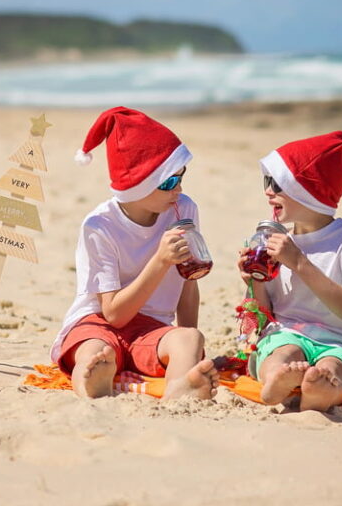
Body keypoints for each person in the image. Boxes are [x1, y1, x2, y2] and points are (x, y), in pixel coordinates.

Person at [51, 106, 219, 400]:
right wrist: (160, 260)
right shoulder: (100, 226)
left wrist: (187, 349)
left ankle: (181, 388)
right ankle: (91, 383)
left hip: (150, 329)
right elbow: (113, 314)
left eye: (181, 176)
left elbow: (187, 287)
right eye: (168, 182)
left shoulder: (185, 210)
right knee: (94, 350)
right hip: (97, 321)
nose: (178, 189)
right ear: (138, 184)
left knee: (190, 338)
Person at [237, 131, 342, 411]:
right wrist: (253, 280)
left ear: (308, 193)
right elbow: (263, 316)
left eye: (277, 184)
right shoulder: (274, 241)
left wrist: (299, 263)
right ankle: (275, 383)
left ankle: (322, 389)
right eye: (267, 182)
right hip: (287, 332)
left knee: (335, 365)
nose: (268, 191)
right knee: (283, 352)